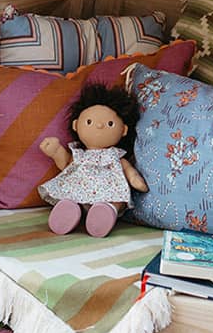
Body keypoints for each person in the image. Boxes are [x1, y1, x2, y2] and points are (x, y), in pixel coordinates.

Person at [38, 82, 148, 237]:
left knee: (113, 201)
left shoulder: (116, 155)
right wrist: (56, 151)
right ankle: (69, 209)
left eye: (110, 123)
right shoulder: (79, 154)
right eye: (89, 122)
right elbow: (67, 164)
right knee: (70, 197)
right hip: (79, 191)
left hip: (108, 193)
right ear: (76, 125)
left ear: (123, 130)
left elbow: (129, 170)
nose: (100, 126)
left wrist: (136, 180)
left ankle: (106, 212)